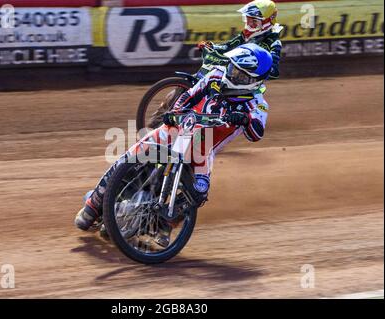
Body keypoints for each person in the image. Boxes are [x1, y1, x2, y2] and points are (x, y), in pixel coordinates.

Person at [75, 43, 273, 246]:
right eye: (231, 67)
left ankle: (164, 224)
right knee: (131, 156)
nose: (231, 74)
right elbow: (189, 95)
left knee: (199, 192)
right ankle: (93, 205)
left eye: (238, 73)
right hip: (179, 129)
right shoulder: (216, 75)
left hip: (202, 149)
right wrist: (175, 113)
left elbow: (256, 133)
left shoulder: (257, 104)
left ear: (252, 80)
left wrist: (245, 119)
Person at [197, 0, 282, 79]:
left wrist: (250, 66)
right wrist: (212, 46)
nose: (249, 24)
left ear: (267, 22)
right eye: (247, 20)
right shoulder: (247, 34)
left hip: (249, 84)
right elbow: (228, 46)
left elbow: (273, 72)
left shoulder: (273, 42)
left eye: (254, 21)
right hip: (231, 75)